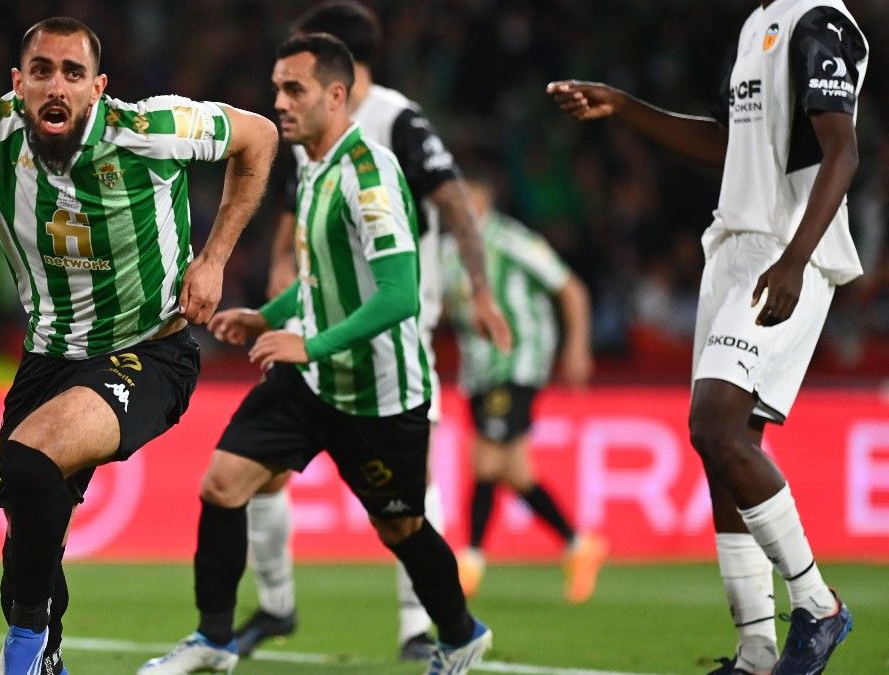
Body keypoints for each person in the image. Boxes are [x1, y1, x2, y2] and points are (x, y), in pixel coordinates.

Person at [0, 16, 277, 675]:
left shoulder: (150, 130)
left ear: (98, 87)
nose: (57, 85)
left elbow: (259, 137)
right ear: (18, 82)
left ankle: (21, 658)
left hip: (150, 352)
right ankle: (46, 649)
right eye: (42, 71)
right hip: (48, 359)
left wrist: (214, 258)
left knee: (31, 461)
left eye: (73, 73)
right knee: (25, 541)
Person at [139, 33, 493, 675]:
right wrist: (267, 317)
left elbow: (400, 295)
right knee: (223, 485)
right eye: (276, 88)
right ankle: (213, 641)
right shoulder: (315, 167)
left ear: (336, 94)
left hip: (378, 395)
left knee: (402, 529)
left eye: (293, 89)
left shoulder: (370, 174)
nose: (279, 101)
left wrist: (309, 342)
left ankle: (462, 632)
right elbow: (323, 276)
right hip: (312, 383)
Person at [548, 1, 865, 672]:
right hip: (731, 248)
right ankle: (755, 651)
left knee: (715, 423)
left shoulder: (819, 20)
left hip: (786, 246)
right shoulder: (757, 24)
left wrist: (795, 259)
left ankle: (818, 604)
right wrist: (625, 107)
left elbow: (843, 150)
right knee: (724, 447)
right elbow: (730, 143)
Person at [238, 2, 512, 662]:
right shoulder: (307, 127)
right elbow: (292, 216)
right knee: (256, 470)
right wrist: (282, 293)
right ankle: (275, 604)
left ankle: (424, 623)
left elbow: (451, 199)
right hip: (316, 325)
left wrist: (478, 287)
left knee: (407, 502)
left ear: (345, 71)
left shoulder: (396, 121)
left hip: (391, 333)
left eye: (297, 79)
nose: (283, 95)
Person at [442, 176, 608, 604]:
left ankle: (470, 559)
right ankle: (578, 544)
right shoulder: (447, 251)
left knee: (485, 457)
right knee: (515, 471)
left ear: (482, 197)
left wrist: (577, 346)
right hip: (478, 370)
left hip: (517, 362)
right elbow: (441, 305)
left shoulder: (512, 240)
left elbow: (570, 288)